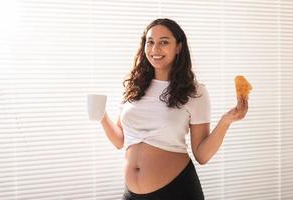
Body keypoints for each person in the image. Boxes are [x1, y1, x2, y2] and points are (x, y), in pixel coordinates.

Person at [99, 18, 248, 200]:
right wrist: (101, 115)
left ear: (178, 47)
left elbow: (202, 155)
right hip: (131, 194)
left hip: (177, 191)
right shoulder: (134, 86)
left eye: (164, 42)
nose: (155, 49)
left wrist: (226, 120)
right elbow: (120, 140)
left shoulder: (195, 92)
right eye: (150, 42)